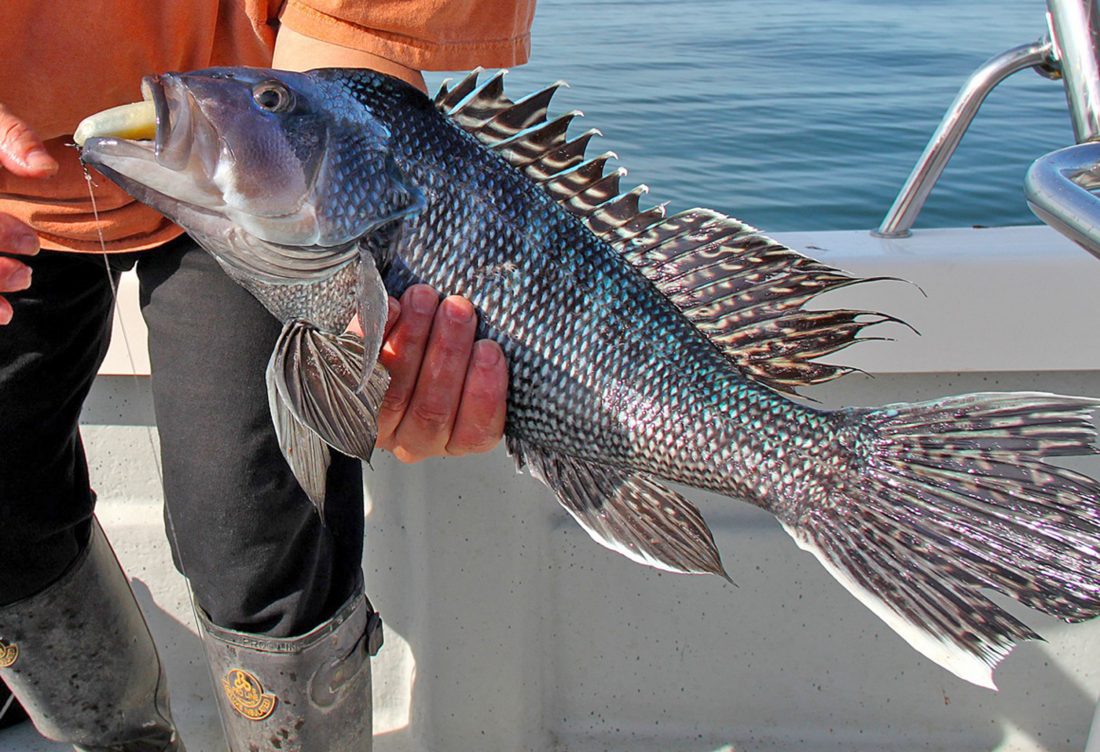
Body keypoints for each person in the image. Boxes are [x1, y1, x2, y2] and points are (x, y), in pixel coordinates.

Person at [0, 2, 535, 750]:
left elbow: (355, 42)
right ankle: (115, 736)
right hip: (11, 178)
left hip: (265, 147)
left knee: (254, 526)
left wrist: (349, 273)